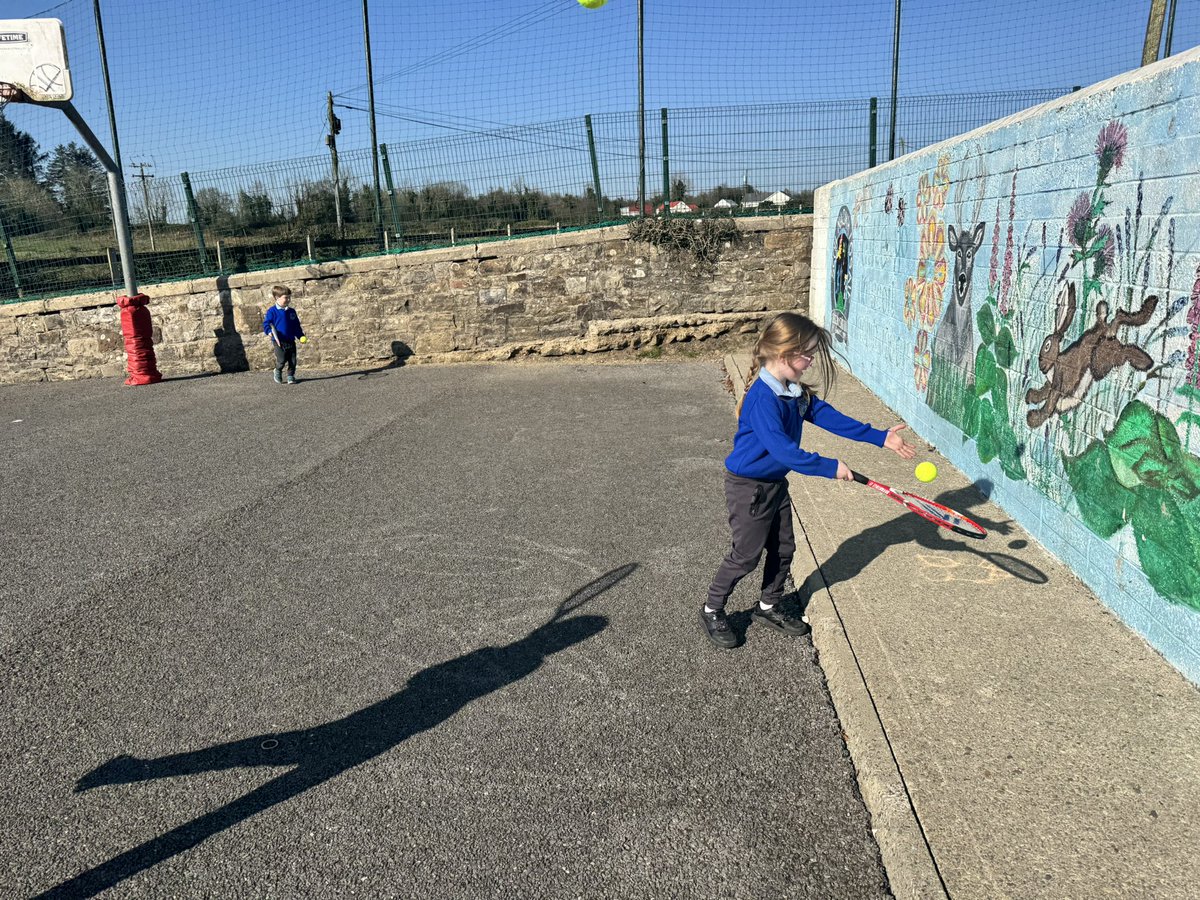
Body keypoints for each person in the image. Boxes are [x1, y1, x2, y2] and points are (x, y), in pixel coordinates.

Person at [701, 311, 915, 649]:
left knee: (784, 547)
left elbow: (827, 416)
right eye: (808, 353)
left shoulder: (793, 390)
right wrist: (831, 467)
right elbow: (785, 452)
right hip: (749, 487)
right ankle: (713, 607)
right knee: (746, 554)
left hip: (773, 484)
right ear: (785, 354)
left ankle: (768, 606)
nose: (812, 360)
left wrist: (879, 437)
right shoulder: (762, 398)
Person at [262, 285, 306, 384]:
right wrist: (269, 331)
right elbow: (267, 323)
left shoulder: (291, 311)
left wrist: (300, 336)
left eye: (289, 297)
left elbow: (296, 326)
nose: (288, 299)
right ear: (277, 298)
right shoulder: (272, 311)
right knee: (281, 360)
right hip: (278, 341)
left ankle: (290, 376)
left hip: (290, 340)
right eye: (285, 297)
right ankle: (277, 370)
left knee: (292, 360)